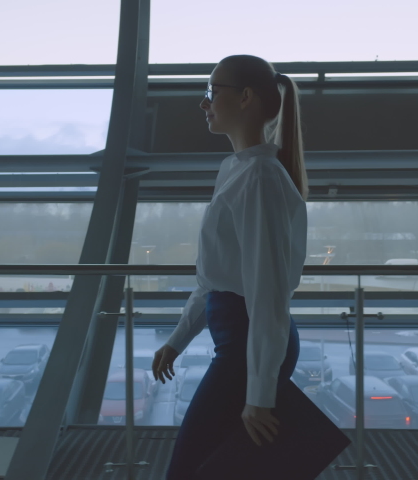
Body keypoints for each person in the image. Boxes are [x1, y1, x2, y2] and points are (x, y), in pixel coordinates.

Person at [151, 54, 309, 479]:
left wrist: (260, 394)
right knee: (218, 466)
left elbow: (268, 295)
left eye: (211, 92)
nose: (204, 103)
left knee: (191, 468)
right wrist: (178, 339)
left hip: (248, 345)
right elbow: (215, 276)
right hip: (240, 341)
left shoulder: (259, 177)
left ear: (244, 98)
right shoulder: (236, 171)